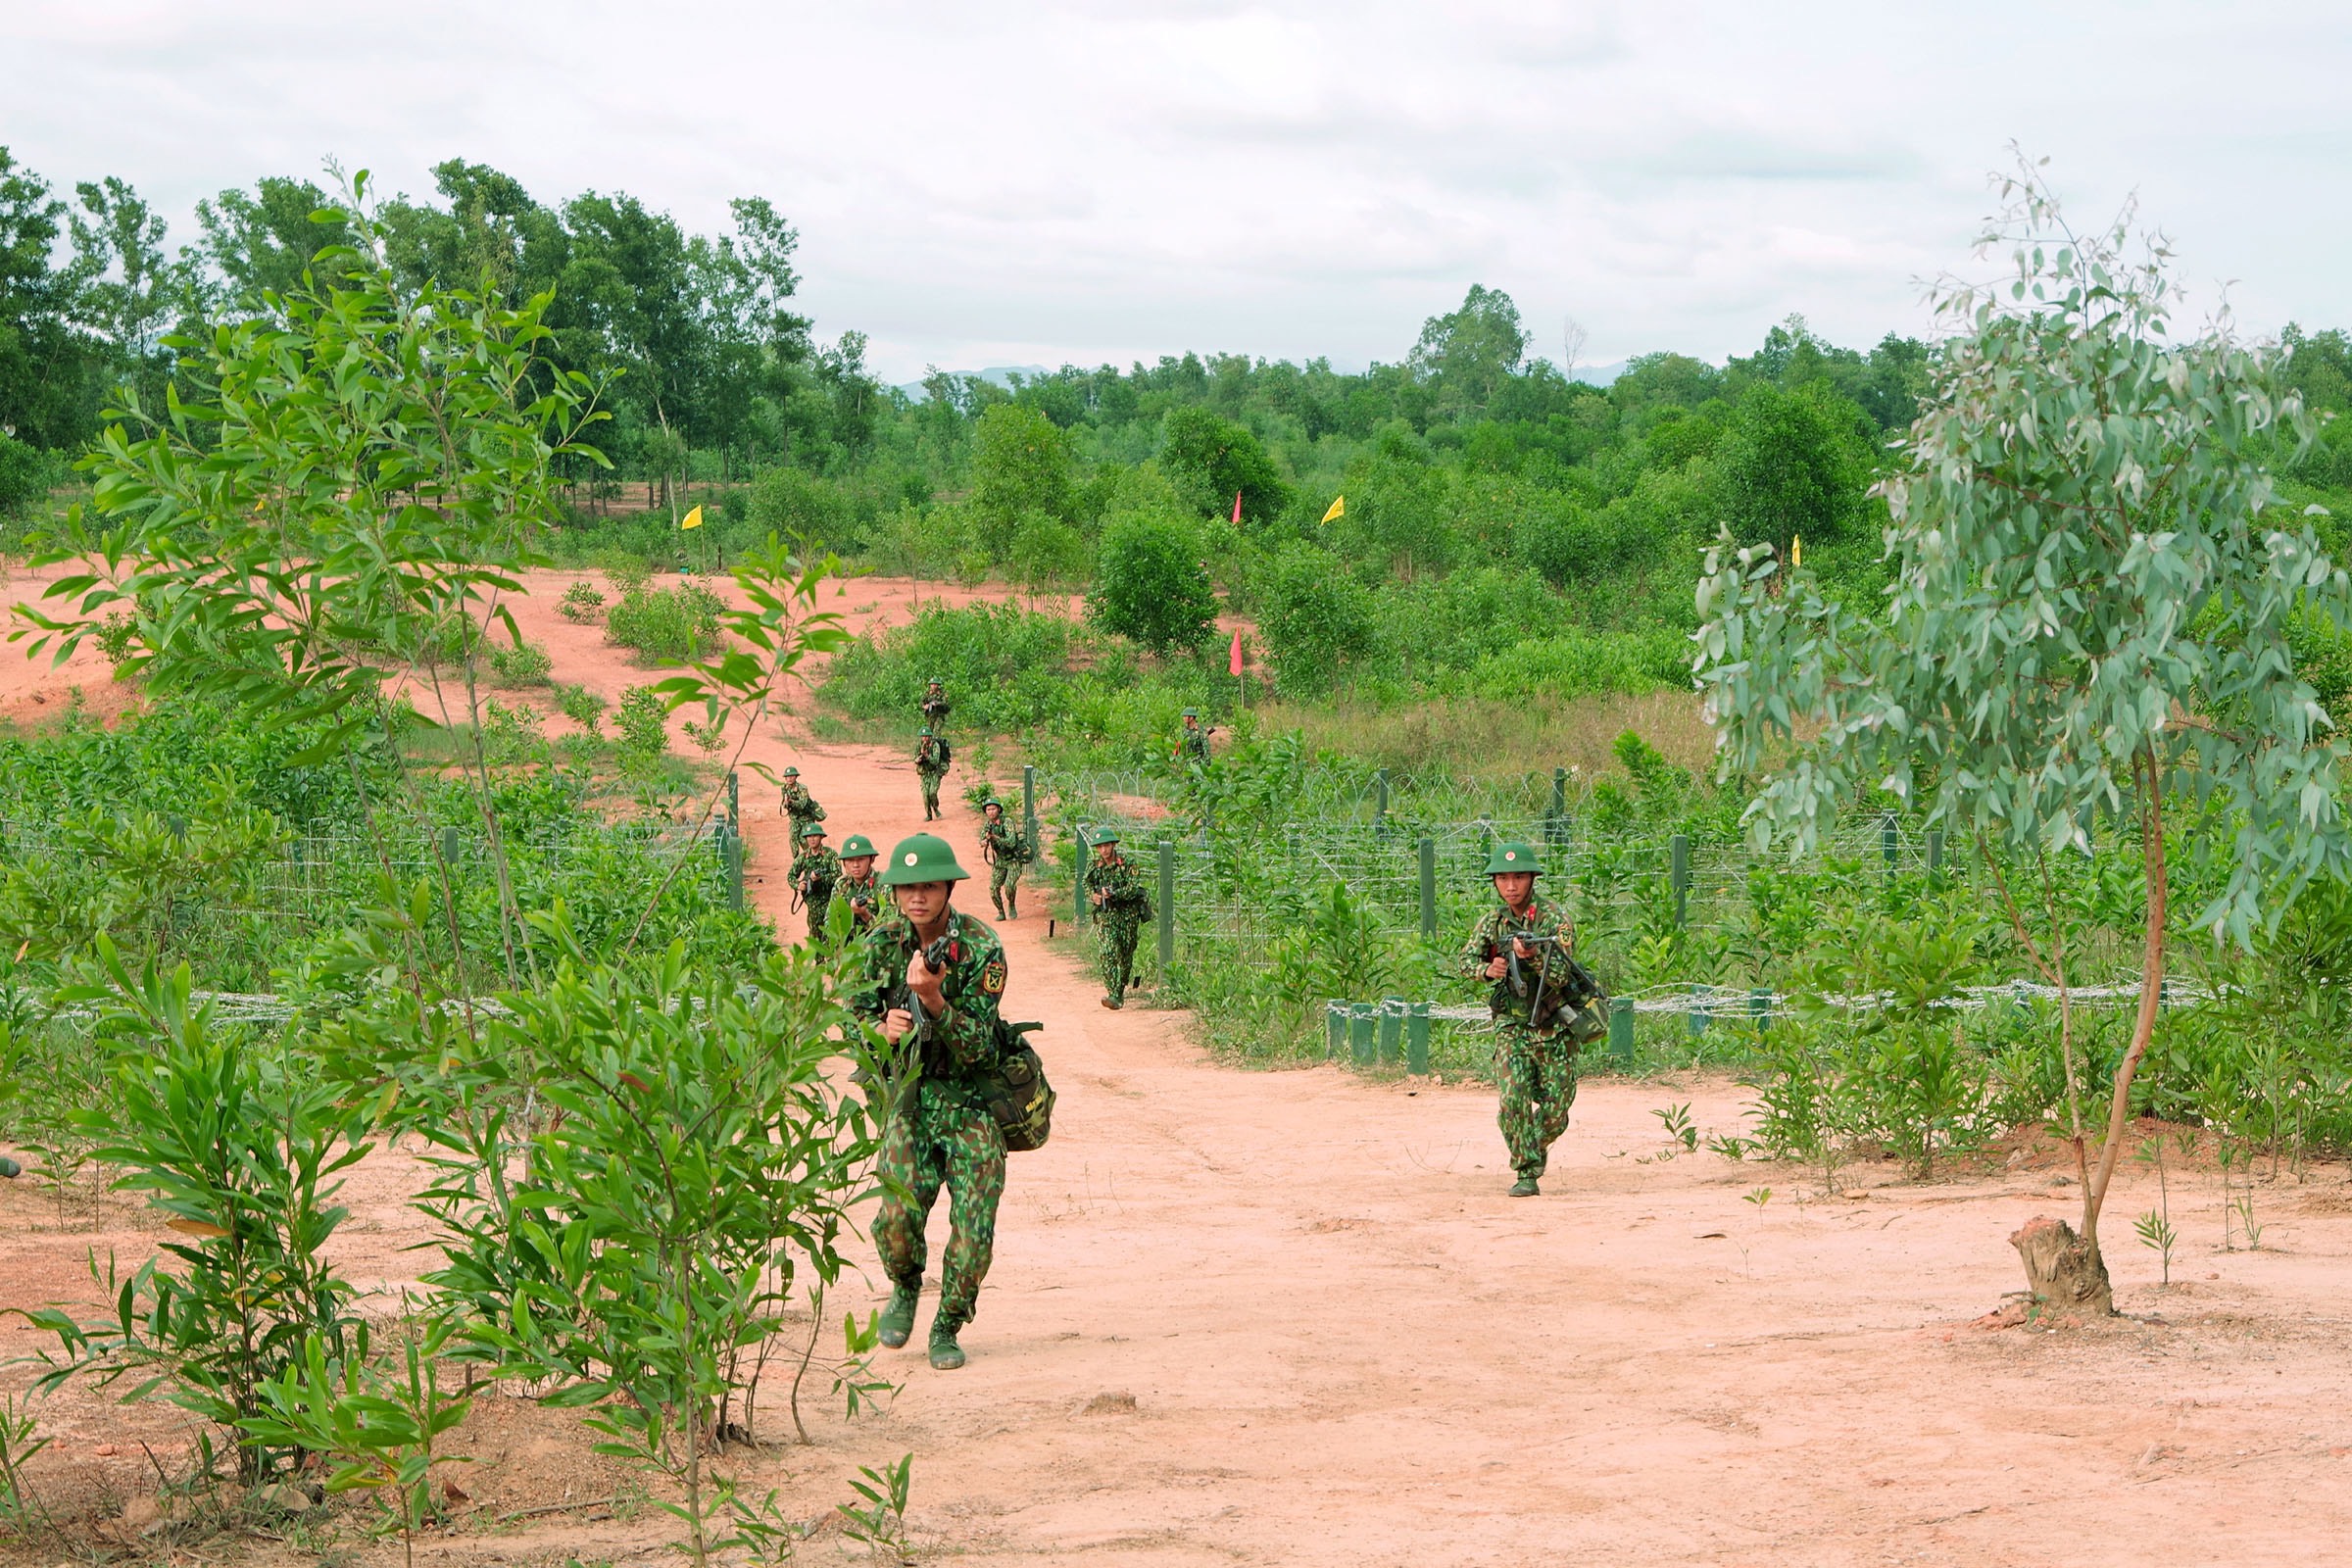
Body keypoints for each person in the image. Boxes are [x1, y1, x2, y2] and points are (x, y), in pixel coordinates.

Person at [849, 833, 1010, 1371]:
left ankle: (947, 1324)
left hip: (970, 1103)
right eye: (907, 887)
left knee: (972, 1235)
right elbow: (851, 1019)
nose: (917, 897)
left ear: (948, 889)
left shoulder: (983, 947)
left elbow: (982, 1046)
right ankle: (904, 1287)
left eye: (929, 886)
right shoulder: (881, 943)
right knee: (895, 1219)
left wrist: (934, 1001)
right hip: (911, 1099)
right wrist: (879, 1029)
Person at [1458, 842, 1580, 1198]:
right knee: (1514, 1098)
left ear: (1532, 879)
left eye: (1519, 877)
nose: (1511, 886)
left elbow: (1559, 976)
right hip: (1511, 1022)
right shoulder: (1492, 922)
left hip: (1554, 1022)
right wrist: (1488, 969)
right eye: (1504, 878)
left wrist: (1533, 955)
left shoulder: (1554, 919)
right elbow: (1465, 961)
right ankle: (1526, 1170)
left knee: (1557, 1108)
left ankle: (1530, 1140)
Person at [1083, 829, 1152, 1009]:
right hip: (1106, 916)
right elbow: (1086, 883)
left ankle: (1119, 991)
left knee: (1125, 955)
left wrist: (1113, 893)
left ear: (1113, 845)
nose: (1104, 850)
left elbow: (1133, 888)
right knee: (1107, 952)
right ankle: (1113, 993)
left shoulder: (1128, 863)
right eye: (1100, 847)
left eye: (1106, 845)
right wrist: (1094, 896)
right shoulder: (1095, 865)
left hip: (1127, 916)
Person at [980, 798, 1029, 920]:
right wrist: (984, 841)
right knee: (993, 888)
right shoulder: (988, 825)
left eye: (993, 809)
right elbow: (982, 840)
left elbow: (1011, 842)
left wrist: (995, 837)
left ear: (999, 810)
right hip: (1000, 860)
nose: (991, 812)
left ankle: (1011, 905)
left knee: (1009, 886)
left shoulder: (1007, 822)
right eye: (988, 809)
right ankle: (1001, 912)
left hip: (1013, 859)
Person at [790, 823, 841, 943]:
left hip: (829, 901)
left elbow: (837, 876)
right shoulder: (803, 857)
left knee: (831, 936)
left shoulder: (830, 855)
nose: (812, 839)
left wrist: (820, 878)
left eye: (815, 836)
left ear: (821, 837)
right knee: (815, 938)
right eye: (809, 836)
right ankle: (819, 962)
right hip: (813, 904)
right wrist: (798, 885)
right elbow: (791, 875)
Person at [834, 832, 882, 934]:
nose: (855, 865)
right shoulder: (841, 884)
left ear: (872, 859)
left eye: (861, 859)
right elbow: (830, 920)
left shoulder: (883, 884)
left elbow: (890, 929)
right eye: (850, 860)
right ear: (844, 863)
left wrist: (865, 915)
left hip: (875, 946)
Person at [778, 765, 826, 841]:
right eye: (787, 777)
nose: (789, 778)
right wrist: (786, 804)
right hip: (794, 818)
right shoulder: (784, 788)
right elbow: (785, 804)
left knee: (804, 840)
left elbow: (802, 805)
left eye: (792, 776)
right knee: (793, 840)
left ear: (796, 777)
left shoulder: (802, 788)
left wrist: (791, 802)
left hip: (806, 818)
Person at [914, 726, 951, 821]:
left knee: (932, 793)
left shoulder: (935, 746)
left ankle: (935, 808)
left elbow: (935, 761)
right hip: (925, 773)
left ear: (930, 736)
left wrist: (927, 755)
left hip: (935, 772)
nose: (925, 738)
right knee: (925, 795)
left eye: (927, 736)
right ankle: (929, 815)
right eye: (923, 736)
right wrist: (918, 760)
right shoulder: (919, 745)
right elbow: (915, 757)